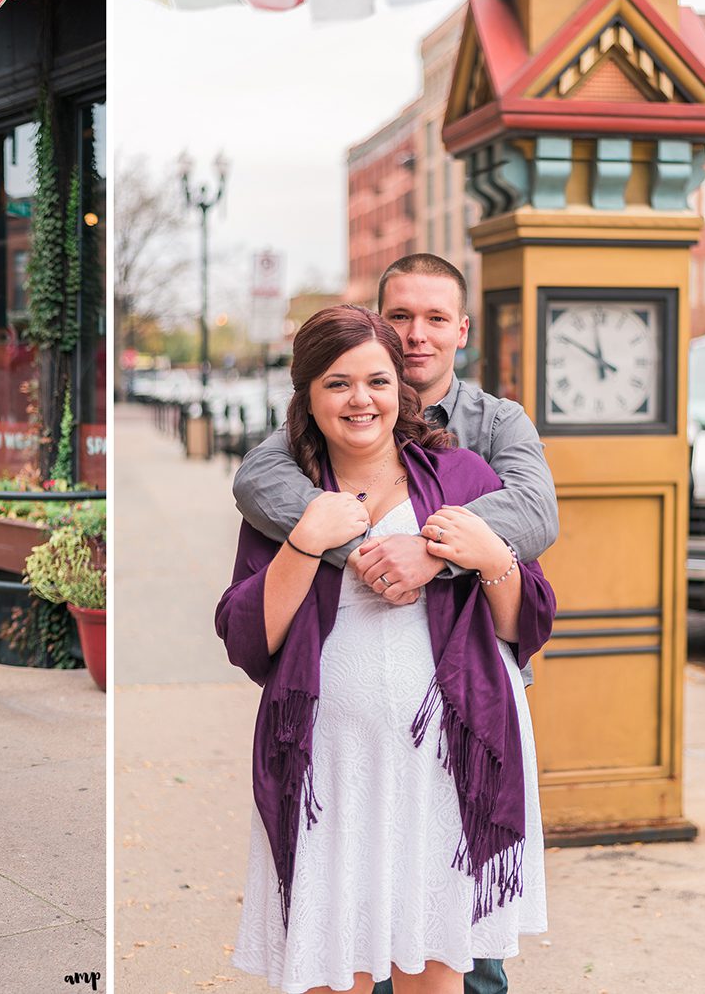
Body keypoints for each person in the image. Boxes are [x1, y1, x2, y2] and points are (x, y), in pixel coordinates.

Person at [233, 254, 559, 994]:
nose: (364, 396)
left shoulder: (477, 457)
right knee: (331, 961)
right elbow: (247, 634)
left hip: (447, 762)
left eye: (377, 380)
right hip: (330, 769)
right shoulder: (290, 479)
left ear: (460, 331)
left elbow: (528, 605)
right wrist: (319, 539)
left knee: (452, 968)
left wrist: (476, 552)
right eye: (339, 383)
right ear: (308, 396)